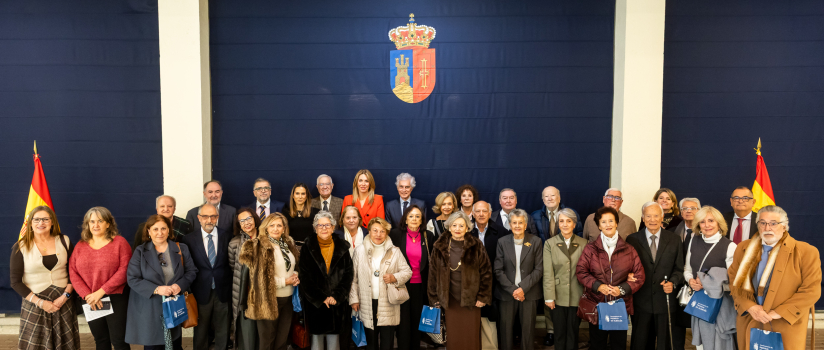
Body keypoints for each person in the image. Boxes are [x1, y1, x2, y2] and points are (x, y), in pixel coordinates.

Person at [729, 205, 821, 350]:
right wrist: (751, 307)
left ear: (784, 227)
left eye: (773, 223)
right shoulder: (743, 248)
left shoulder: (806, 252)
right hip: (751, 319)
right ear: (758, 225)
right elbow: (735, 283)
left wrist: (778, 313)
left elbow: (811, 291)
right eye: (763, 223)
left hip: (785, 323)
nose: (767, 228)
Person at [11, 206, 80, 350]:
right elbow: (15, 282)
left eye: (45, 219)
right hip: (34, 302)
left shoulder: (64, 241)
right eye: (36, 219)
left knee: (66, 343)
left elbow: (74, 272)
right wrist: (41, 303)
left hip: (62, 301)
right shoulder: (20, 247)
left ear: (52, 222)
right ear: (30, 223)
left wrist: (65, 296)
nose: (40, 223)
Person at [576, 206, 645, 350]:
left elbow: (640, 276)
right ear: (599, 225)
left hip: (620, 306)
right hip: (597, 304)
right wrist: (598, 286)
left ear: (616, 223)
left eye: (611, 221)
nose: (608, 224)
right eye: (603, 222)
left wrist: (622, 289)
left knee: (618, 345)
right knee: (597, 344)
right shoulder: (590, 249)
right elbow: (581, 272)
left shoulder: (629, 249)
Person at [125, 214, 197, 350]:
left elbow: (191, 271)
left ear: (169, 230)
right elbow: (132, 279)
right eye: (155, 229)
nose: (160, 233)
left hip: (174, 307)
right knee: (153, 346)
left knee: (175, 345)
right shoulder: (140, 252)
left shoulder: (181, 248)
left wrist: (179, 285)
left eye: (163, 228)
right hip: (150, 309)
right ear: (149, 231)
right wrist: (157, 289)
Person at [69, 207, 132, 350]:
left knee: (119, 340)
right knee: (101, 340)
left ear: (108, 224)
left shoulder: (119, 243)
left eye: (100, 221)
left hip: (115, 298)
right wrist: (87, 295)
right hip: (90, 299)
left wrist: (101, 291)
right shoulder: (80, 246)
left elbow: (125, 269)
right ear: (87, 224)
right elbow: (73, 272)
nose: (95, 225)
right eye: (92, 221)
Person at [428, 211, 493, 349]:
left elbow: (486, 272)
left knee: (471, 336)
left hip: (472, 300)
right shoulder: (439, 247)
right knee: (454, 337)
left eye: (461, 226)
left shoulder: (476, 245)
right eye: (454, 225)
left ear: (467, 227)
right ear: (449, 227)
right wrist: (434, 298)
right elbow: (433, 274)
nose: (457, 229)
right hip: (450, 300)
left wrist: (483, 296)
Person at [626, 202, 686, 350]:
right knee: (640, 342)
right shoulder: (632, 239)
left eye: (656, 216)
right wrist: (628, 275)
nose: (652, 220)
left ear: (662, 217)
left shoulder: (674, 239)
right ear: (643, 217)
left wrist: (673, 282)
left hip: (665, 301)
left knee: (665, 344)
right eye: (648, 216)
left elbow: (679, 269)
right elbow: (626, 267)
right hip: (641, 300)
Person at [240, 212, 301, 350]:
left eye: (279, 225)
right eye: (272, 225)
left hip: (288, 299)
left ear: (284, 228)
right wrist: (285, 281)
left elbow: (293, 265)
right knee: (267, 341)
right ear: (265, 228)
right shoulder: (258, 246)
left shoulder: (288, 243)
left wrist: (295, 275)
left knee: (282, 340)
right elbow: (259, 279)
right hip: (267, 300)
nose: (275, 229)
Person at [350, 218, 412, 350]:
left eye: (382, 231)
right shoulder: (359, 251)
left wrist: (394, 277)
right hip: (367, 301)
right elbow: (353, 278)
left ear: (387, 233)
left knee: (387, 342)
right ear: (369, 231)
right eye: (375, 231)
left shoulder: (394, 251)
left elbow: (407, 272)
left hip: (388, 302)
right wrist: (354, 299)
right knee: (370, 341)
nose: (378, 234)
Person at [683, 206, 737, 350]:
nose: (707, 225)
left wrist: (707, 284)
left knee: (719, 344)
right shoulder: (694, 241)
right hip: (699, 301)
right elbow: (687, 269)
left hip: (720, 305)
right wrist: (690, 281)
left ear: (719, 223)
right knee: (701, 344)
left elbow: (734, 281)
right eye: (702, 221)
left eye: (711, 220)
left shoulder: (730, 246)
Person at [299, 211, 354, 350]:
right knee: (316, 344)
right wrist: (321, 298)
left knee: (334, 344)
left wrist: (337, 296)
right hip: (315, 304)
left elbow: (348, 274)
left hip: (337, 305)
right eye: (320, 225)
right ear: (315, 227)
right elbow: (304, 276)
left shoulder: (343, 247)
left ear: (333, 227)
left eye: (327, 225)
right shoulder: (307, 247)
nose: (324, 228)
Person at [180, 203, 232, 350]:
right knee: (201, 328)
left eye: (213, 216)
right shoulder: (189, 240)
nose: (209, 220)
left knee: (223, 326)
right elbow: (187, 267)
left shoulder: (227, 236)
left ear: (217, 217)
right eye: (205, 216)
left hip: (223, 289)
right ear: (199, 218)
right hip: (200, 290)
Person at [494, 209, 543, 350]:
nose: (517, 226)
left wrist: (523, 288)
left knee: (528, 331)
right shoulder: (502, 242)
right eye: (514, 223)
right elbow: (498, 270)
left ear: (526, 225)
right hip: (507, 293)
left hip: (530, 293)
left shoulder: (536, 241)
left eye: (520, 223)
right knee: (506, 330)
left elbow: (539, 269)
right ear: (509, 225)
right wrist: (513, 290)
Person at [389, 205, 435, 350]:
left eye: (417, 216)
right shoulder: (396, 235)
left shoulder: (428, 236)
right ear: (405, 219)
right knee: (403, 323)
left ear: (422, 220)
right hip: (401, 284)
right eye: (411, 216)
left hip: (420, 286)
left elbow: (432, 262)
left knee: (417, 321)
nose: (414, 219)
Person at [543, 208, 587, 350]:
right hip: (557, 295)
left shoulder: (584, 243)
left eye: (569, 221)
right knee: (559, 332)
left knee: (573, 332)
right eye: (561, 221)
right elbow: (548, 273)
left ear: (574, 224)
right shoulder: (550, 244)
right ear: (557, 224)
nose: (565, 224)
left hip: (577, 294)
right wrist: (549, 297)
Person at [468, 200, 505, 347]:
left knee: (490, 321)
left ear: (490, 213)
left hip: (494, 286)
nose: (481, 214)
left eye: (485, 211)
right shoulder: (465, 232)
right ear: (472, 213)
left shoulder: (502, 233)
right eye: (478, 211)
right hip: (470, 286)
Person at [228, 208, 261, 350]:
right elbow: (232, 267)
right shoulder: (234, 243)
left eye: (248, 219)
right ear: (238, 225)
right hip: (244, 294)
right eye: (242, 221)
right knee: (247, 333)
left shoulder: (266, 238)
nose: (246, 223)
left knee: (263, 332)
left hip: (264, 293)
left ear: (255, 219)